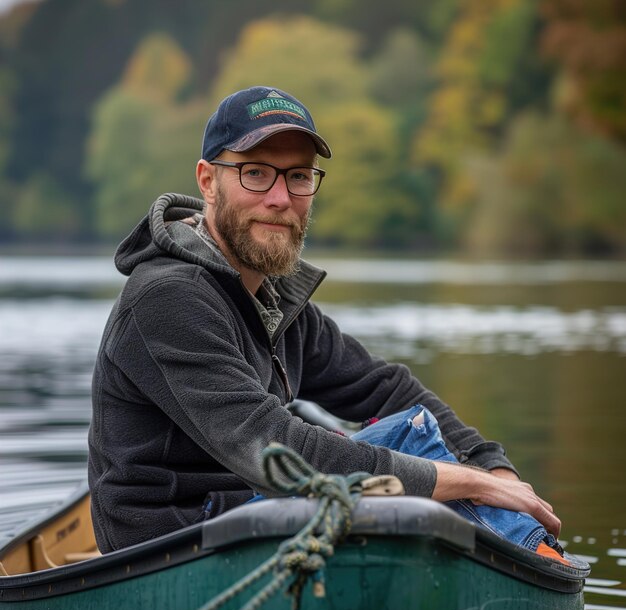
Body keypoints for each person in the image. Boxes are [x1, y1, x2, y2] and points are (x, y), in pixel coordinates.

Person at [88, 86, 569, 563]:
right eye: (255, 173)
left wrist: (492, 467)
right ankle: (539, 563)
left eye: (298, 176)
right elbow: (273, 447)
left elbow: (384, 388)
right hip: (168, 545)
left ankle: (529, 553)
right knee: (413, 441)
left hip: (249, 514)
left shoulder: (273, 299)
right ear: (208, 181)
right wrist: (468, 481)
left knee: (412, 434)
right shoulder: (167, 298)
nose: (280, 198)